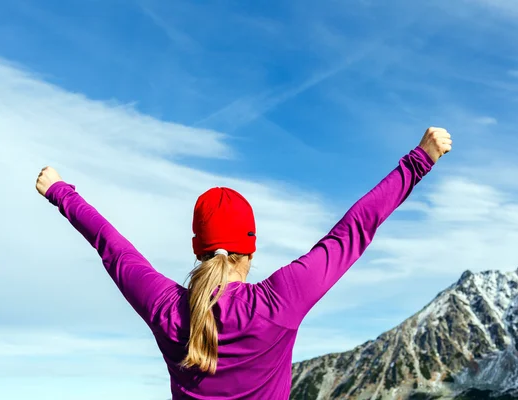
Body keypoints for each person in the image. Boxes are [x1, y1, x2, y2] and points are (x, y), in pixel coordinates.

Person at [36, 127, 452, 399]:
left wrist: (60, 191)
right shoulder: (279, 301)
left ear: (197, 249)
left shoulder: (166, 308)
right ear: (250, 251)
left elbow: (110, 246)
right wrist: (420, 159)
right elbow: (354, 229)